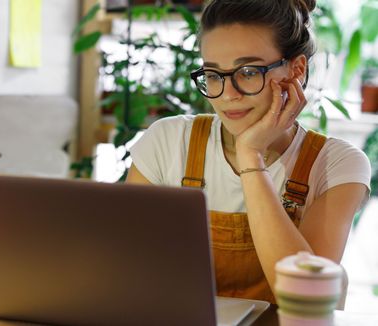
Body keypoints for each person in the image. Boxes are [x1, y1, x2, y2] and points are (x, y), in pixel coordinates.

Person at [126, 0, 371, 303]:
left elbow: (308, 296)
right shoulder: (167, 140)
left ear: (296, 69)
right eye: (214, 75)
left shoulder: (336, 164)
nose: (228, 95)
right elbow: (127, 268)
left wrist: (251, 157)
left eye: (248, 72)